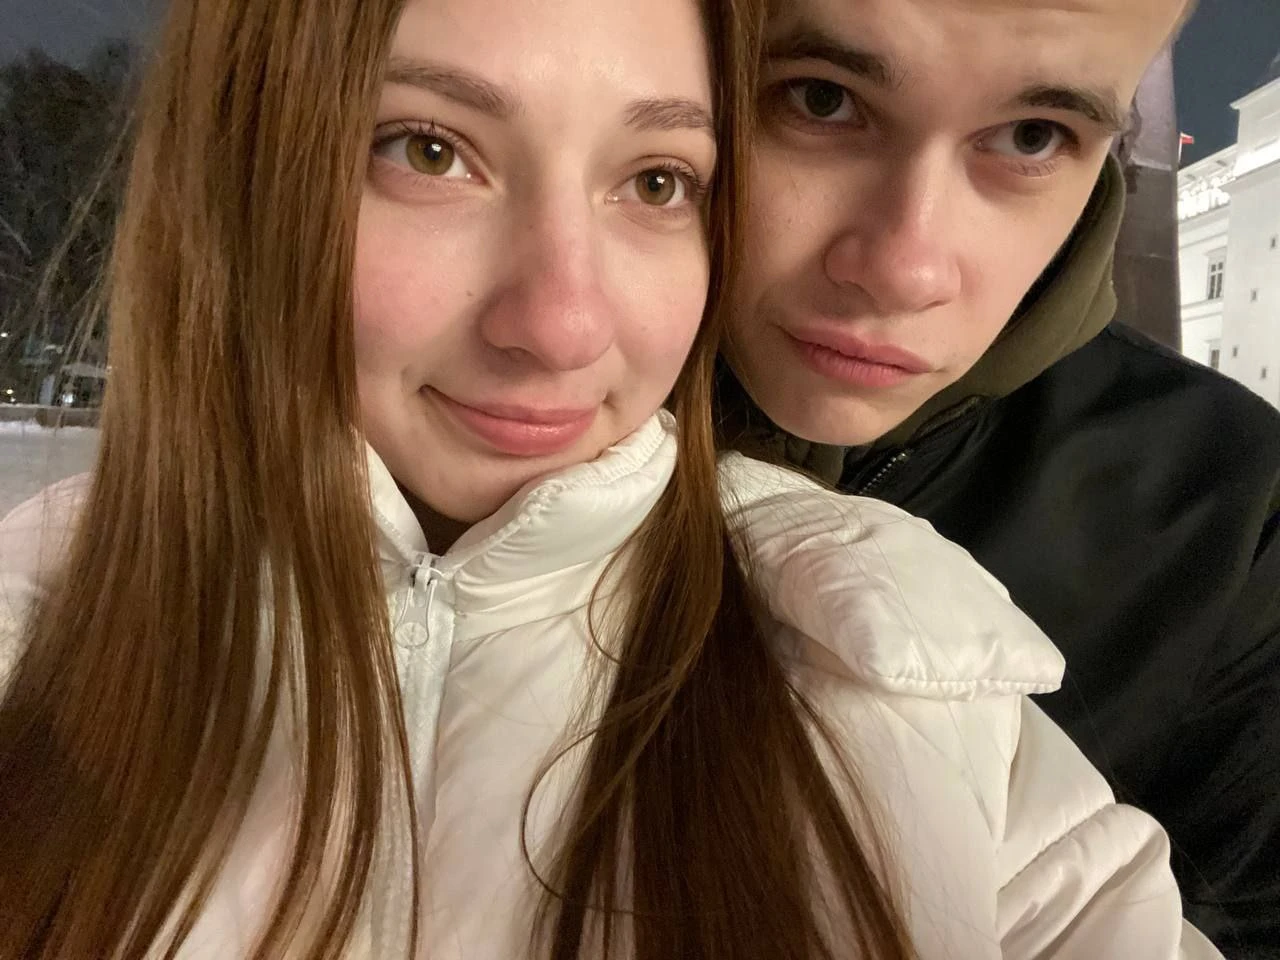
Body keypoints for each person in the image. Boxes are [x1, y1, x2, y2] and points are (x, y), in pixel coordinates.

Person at [0, 0, 1219, 956]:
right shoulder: (32, 634)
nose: (562, 326)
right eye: (429, 151)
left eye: (654, 181)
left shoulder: (905, 674)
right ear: (234, 171)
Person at [718, 0, 1280, 953]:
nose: (905, 270)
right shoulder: (492, 414)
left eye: (1032, 136)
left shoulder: (1232, 507)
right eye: (820, 100)